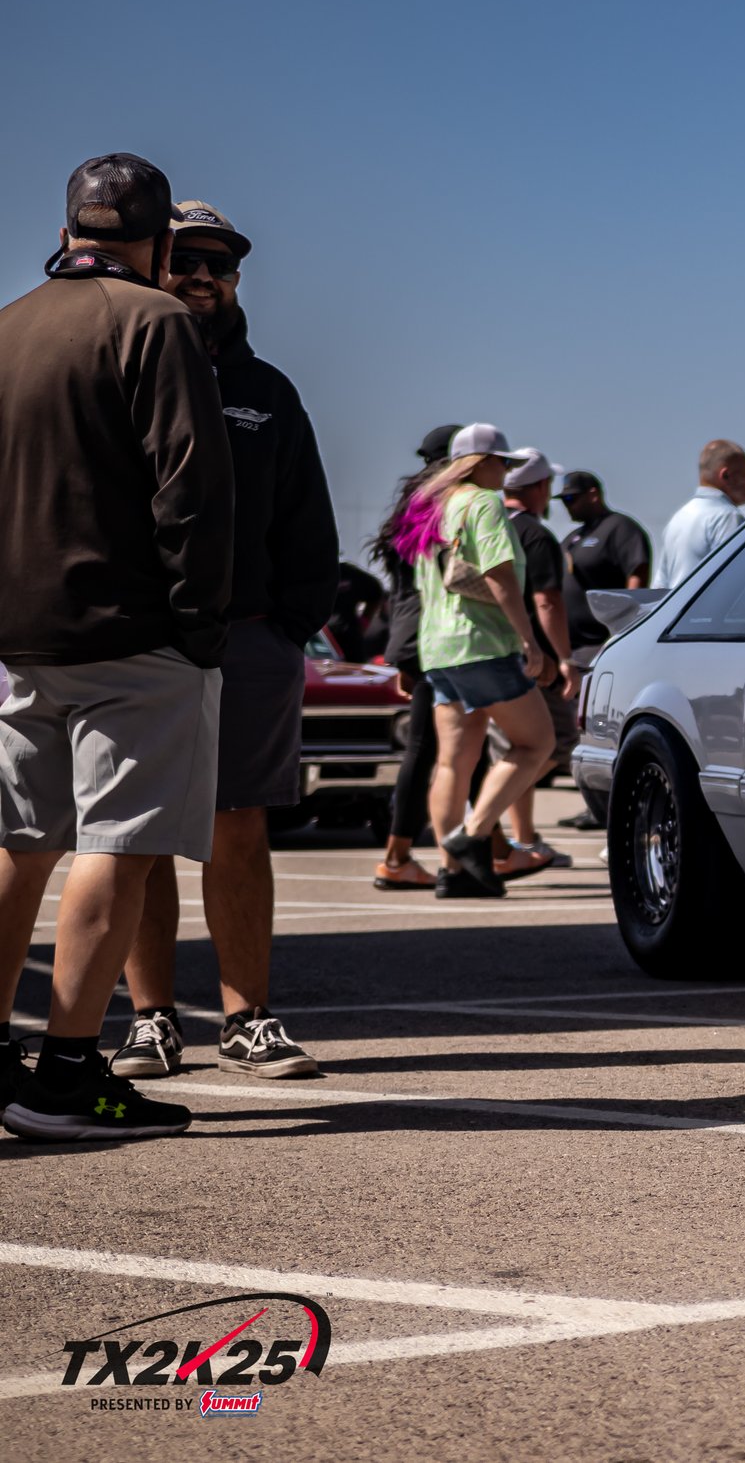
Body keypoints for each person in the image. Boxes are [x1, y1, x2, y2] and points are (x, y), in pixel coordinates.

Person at [0, 154, 231, 1142]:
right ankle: (65, 1073)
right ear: (162, 242)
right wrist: (200, 624)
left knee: (19, 844)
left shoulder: (9, 325)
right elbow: (193, 487)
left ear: (67, 232)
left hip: (20, 634)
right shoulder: (156, 321)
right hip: (132, 631)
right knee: (119, 847)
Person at [111, 201, 335, 1082]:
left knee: (238, 828)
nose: (205, 276)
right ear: (154, 264)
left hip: (248, 641)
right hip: (140, 642)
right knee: (138, 835)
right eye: (188, 259)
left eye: (222, 264)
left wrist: (288, 628)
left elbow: (306, 521)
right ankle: (152, 1022)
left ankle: (247, 1020)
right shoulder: (115, 369)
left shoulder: (267, 393)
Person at [396, 423, 555, 897]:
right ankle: (472, 834)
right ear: (481, 463)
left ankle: (454, 872)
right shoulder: (484, 503)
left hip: (439, 648)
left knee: (453, 763)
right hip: (482, 643)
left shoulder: (431, 507)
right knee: (536, 743)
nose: (506, 472)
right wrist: (530, 641)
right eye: (502, 462)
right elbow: (500, 574)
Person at [371, 425, 459, 889]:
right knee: (431, 748)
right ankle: (397, 856)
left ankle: (485, 846)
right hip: (434, 637)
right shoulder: (444, 505)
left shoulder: (412, 505)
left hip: (411, 638)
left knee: (448, 748)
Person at [495, 447, 575, 874]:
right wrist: (564, 658)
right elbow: (547, 601)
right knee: (558, 741)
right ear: (541, 486)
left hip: (489, 652)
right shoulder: (536, 534)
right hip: (533, 660)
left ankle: (522, 838)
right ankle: (485, 816)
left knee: (515, 749)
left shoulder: (490, 525)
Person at [555, 470, 649, 829]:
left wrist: (624, 631)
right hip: (574, 649)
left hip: (602, 645)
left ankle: (610, 805)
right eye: (563, 500)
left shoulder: (620, 529)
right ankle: (593, 802)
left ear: (593, 494)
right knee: (580, 732)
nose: (567, 506)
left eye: (571, 498)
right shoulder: (573, 538)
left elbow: (636, 576)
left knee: (600, 729)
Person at [654, 439, 745, 587]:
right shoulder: (727, 517)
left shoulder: (678, 519)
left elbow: (660, 586)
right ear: (726, 475)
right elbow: (734, 580)